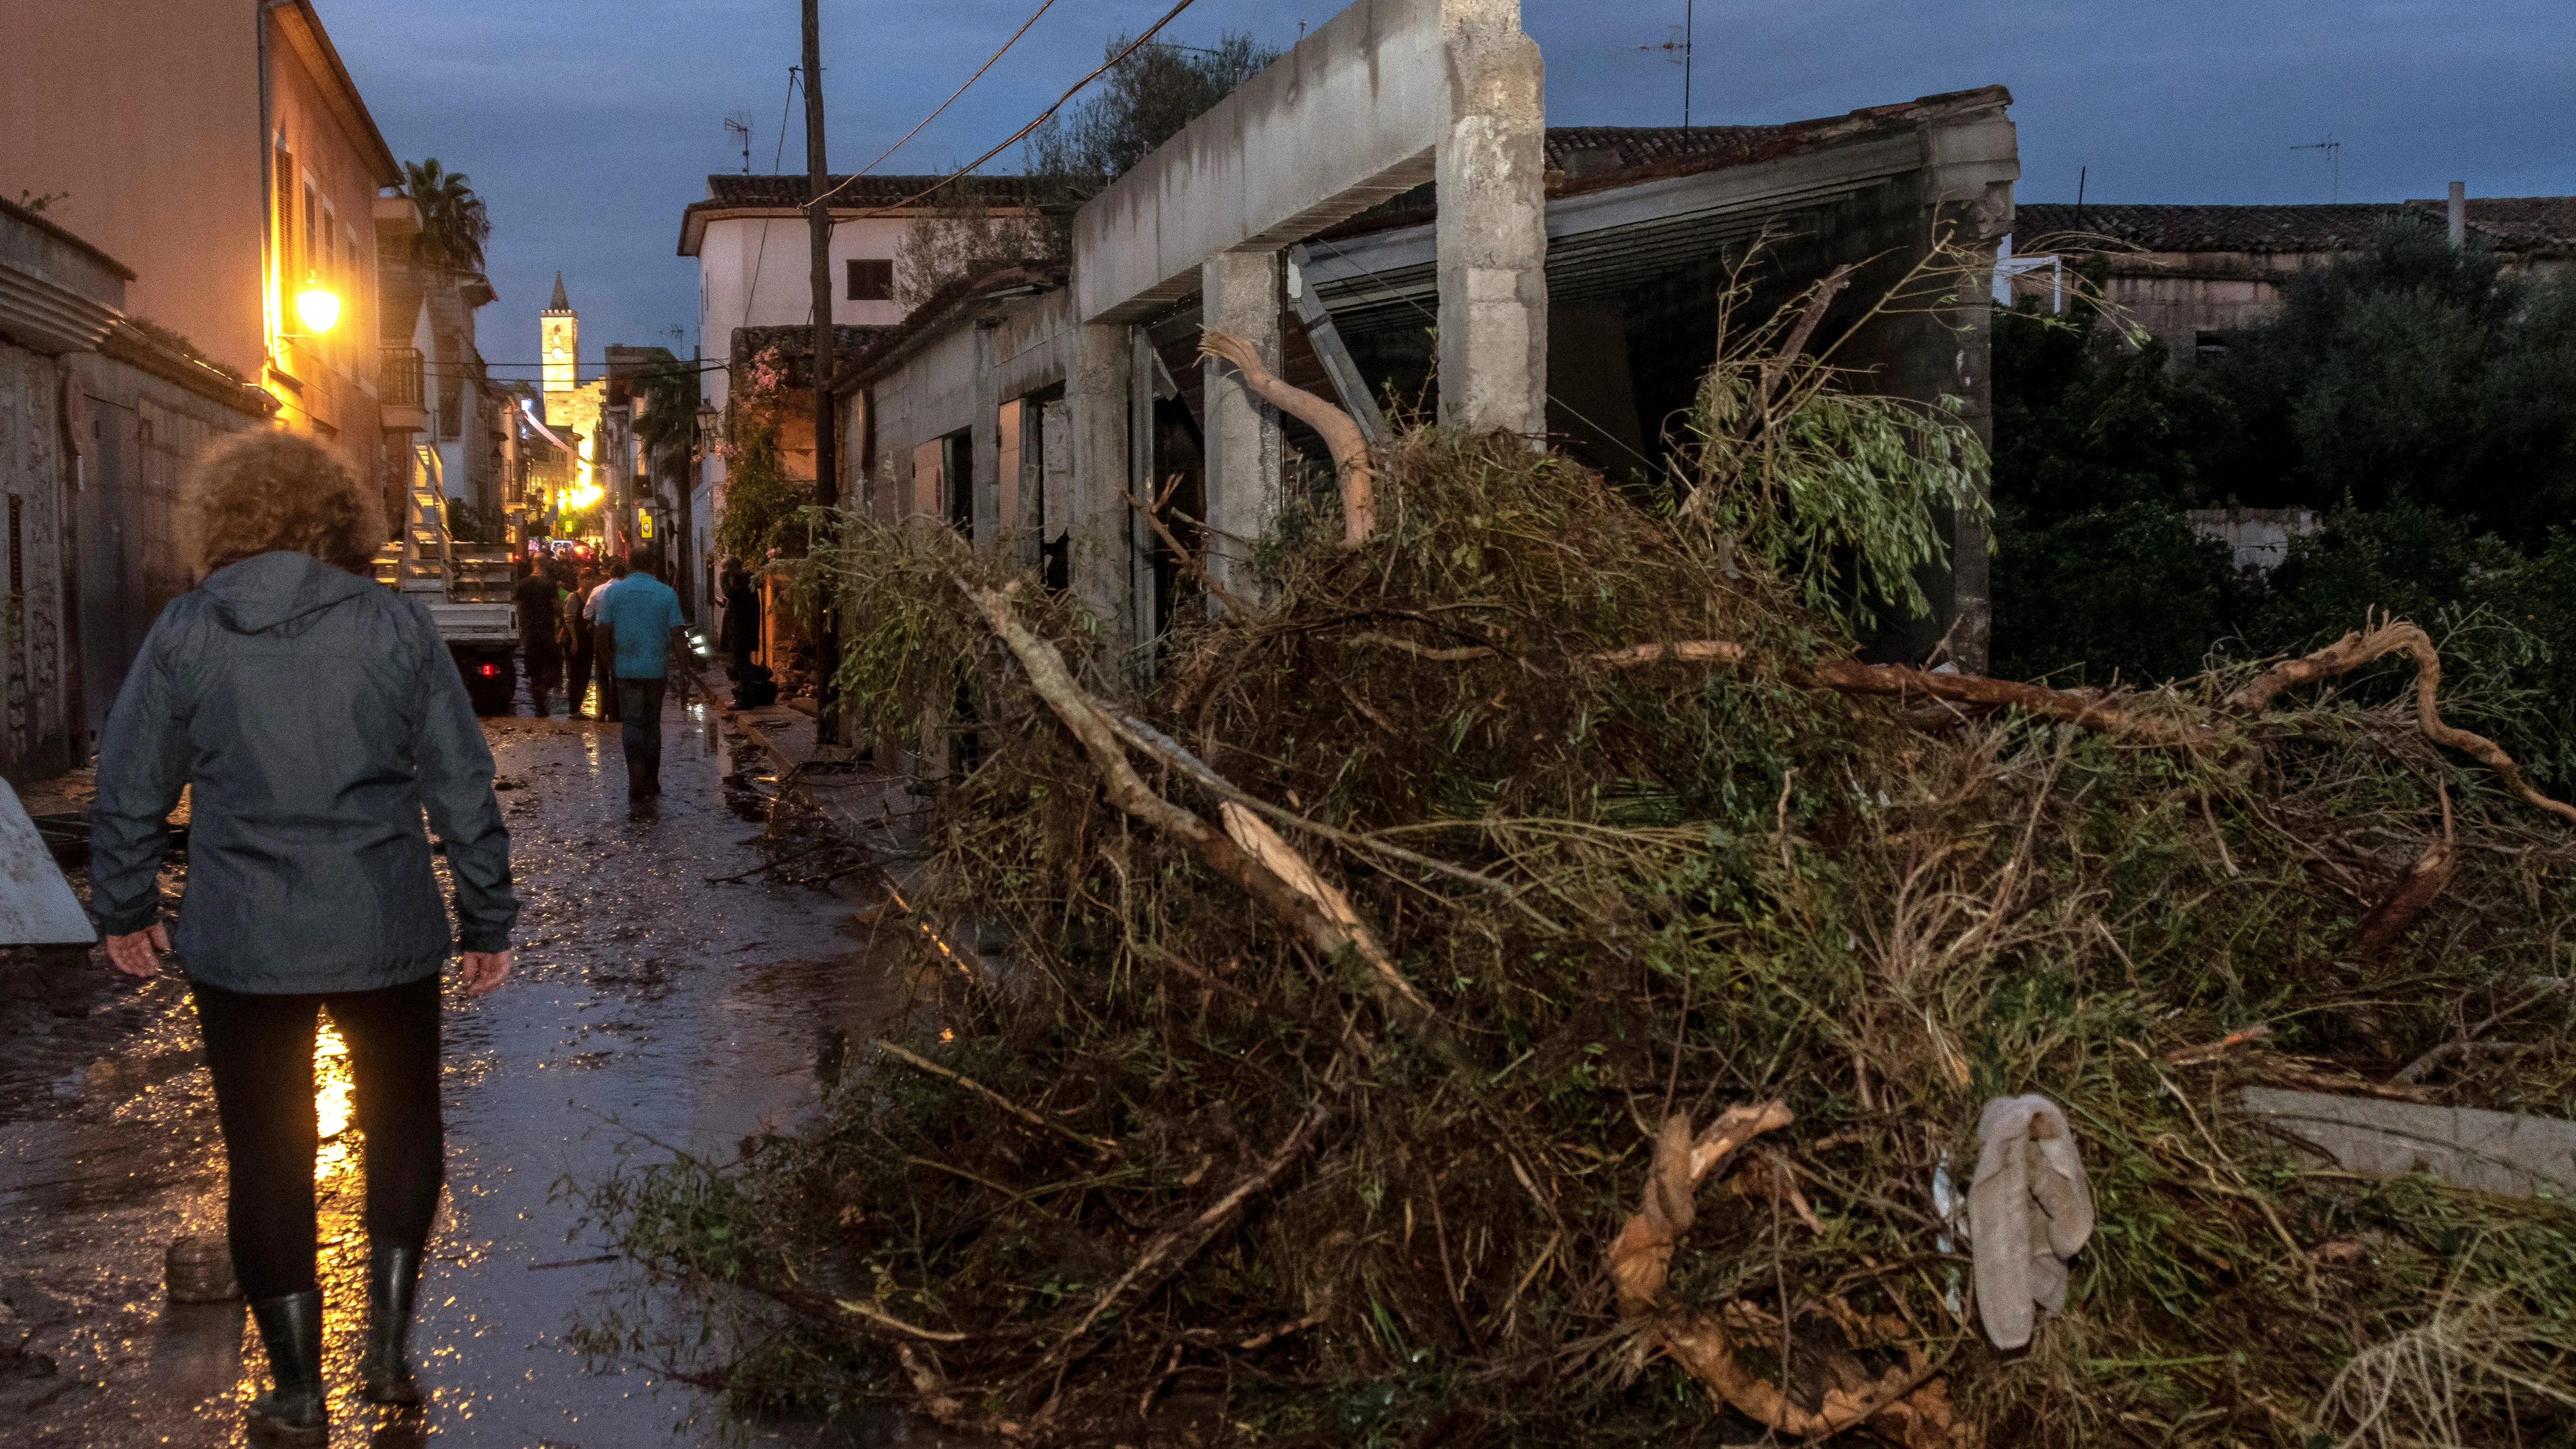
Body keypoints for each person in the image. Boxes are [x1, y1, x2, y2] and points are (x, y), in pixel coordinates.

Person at [87, 433, 515, 1444]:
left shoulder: (188, 630)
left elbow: (129, 781)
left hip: (242, 939)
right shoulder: (396, 626)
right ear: (339, 520)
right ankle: (387, 1355)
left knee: (265, 1154)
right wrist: (486, 915)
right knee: (404, 1126)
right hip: (385, 928)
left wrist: (126, 906)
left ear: (221, 519)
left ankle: (293, 1390)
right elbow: (461, 781)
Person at [592, 546, 689, 799]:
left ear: (629, 563)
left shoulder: (614, 592)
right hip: (656, 669)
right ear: (654, 565)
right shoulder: (667, 593)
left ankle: (635, 776)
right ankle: (651, 780)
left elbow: (601, 631)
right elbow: (678, 634)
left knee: (632, 723)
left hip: (625, 669)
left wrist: (610, 662)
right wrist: (685, 669)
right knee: (651, 724)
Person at [513, 561, 562, 718]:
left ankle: (540, 709)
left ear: (533, 564)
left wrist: (523, 626)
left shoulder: (523, 584)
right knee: (552, 666)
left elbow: (518, 608)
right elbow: (555, 606)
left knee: (534, 670)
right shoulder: (550, 584)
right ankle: (545, 687)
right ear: (545, 565)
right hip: (547, 631)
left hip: (530, 632)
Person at [585, 559, 629, 724]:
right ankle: (616, 713)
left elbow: (587, 614)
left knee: (602, 674)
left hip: (601, 635)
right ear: (624, 575)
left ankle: (601, 712)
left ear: (610, 574)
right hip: (621, 634)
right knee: (619, 674)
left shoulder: (597, 591)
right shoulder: (627, 591)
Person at [562, 566, 601, 718]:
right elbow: (569, 621)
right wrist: (574, 641)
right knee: (574, 674)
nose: (589, 582)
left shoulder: (593, 597)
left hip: (588, 640)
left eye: (591, 578)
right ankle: (573, 709)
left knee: (585, 674)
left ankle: (577, 708)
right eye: (586, 578)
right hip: (574, 640)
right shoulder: (573, 597)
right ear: (580, 580)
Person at [718, 557, 759, 682]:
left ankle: (746, 691)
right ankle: (744, 689)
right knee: (740, 661)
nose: (725, 573)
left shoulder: (744, 577)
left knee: (742, 662)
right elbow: (738, 599)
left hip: (743, 629)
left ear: (732, 568)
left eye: (726, 569)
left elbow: (732, 594)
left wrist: (723, 580)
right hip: (741, 628)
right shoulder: (741, 579)